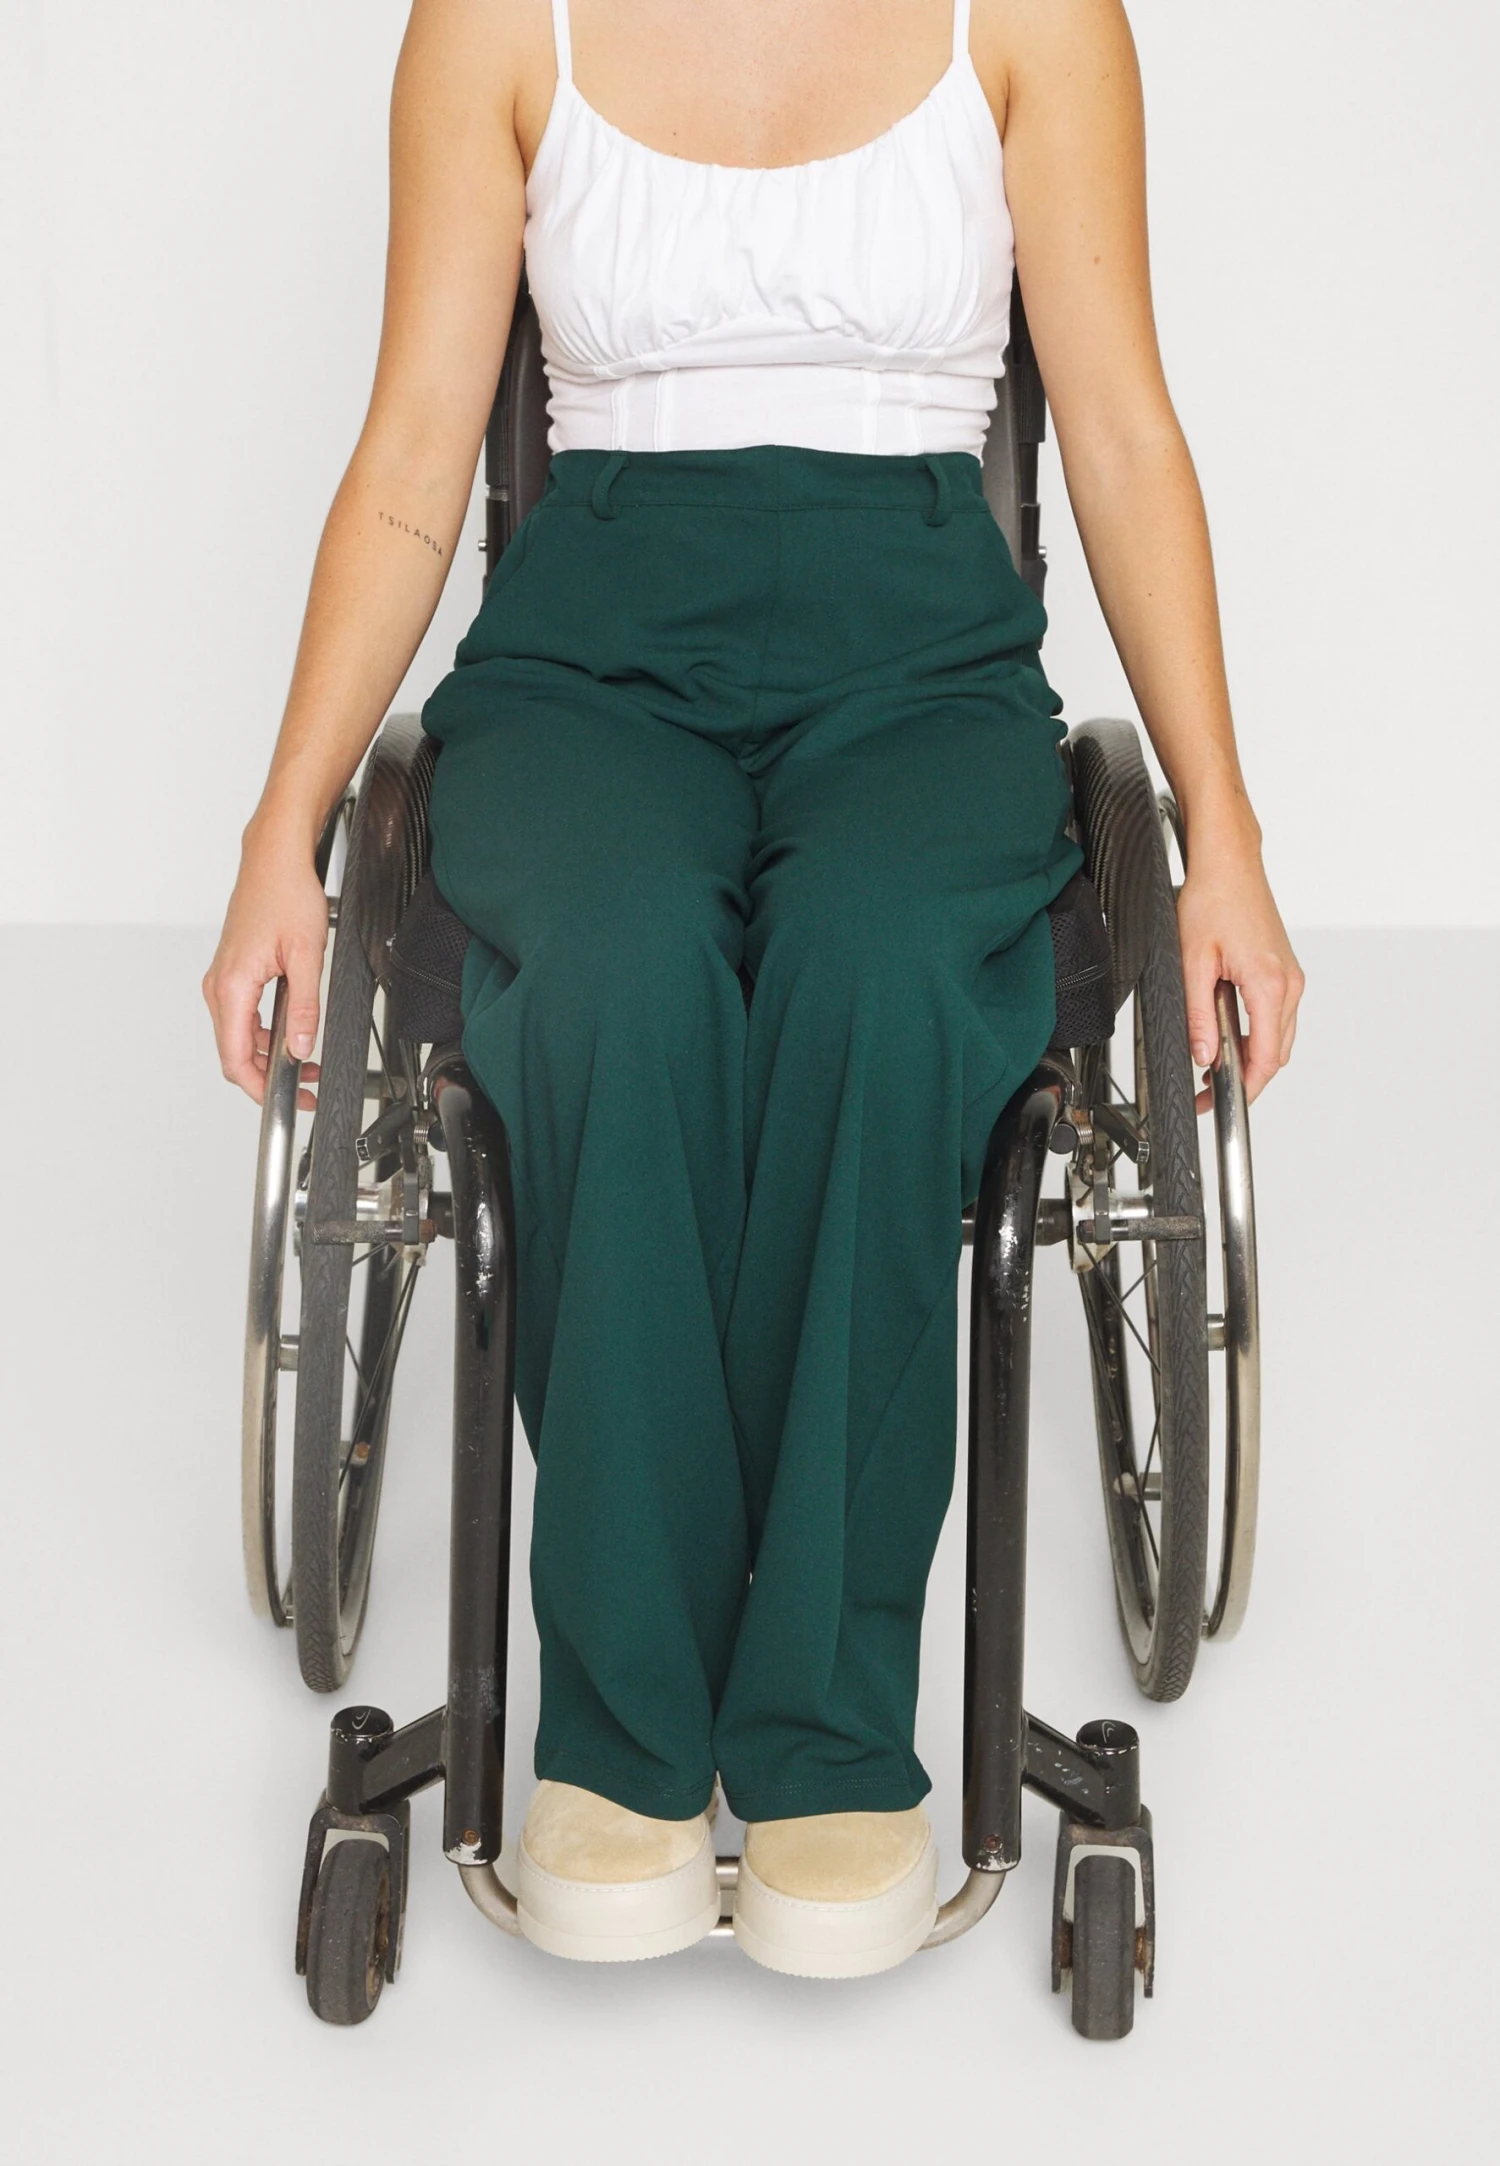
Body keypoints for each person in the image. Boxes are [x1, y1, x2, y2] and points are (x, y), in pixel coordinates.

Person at [204, 0, 1304, 1980]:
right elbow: (413, 454)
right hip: (592, 652)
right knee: (615, 978)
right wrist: (284, 828)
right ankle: (623, 1741)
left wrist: (1220, 832)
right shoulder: (496, 29)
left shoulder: (1034, 24)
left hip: (922, 653)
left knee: (879, 978)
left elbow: (1125, 432)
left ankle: (824, 1740)